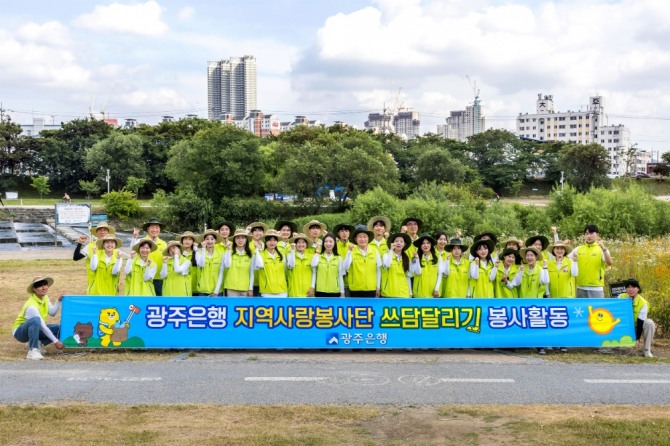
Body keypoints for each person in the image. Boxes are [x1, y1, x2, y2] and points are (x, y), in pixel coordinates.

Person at [12, 277, 64, 360]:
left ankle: (38, 343)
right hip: (19, 333)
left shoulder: (45, 297)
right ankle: (32, 350)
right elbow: (43, 326)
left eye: (45, 284)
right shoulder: (31, 306)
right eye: (40, 286)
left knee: (60, 328)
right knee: (36, 320)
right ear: (34, 289)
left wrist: (58, 301)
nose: (44, 288)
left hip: (35, 328)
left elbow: (52, 313)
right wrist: (56, 341)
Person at [567, 224, 613, 298]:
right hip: (580, 287)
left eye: (591, 233)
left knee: (597, 309)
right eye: (587, 233)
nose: (589, 236)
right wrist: (565, 246)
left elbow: (610, 262)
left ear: (597, 235)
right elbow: (565, 258)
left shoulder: (601, 249)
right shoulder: (578, 249)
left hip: (596, 288)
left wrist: (603, 248)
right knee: (581, 309)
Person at [74, 222, 119, 293]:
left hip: (111, 286)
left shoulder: (115, 248)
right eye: (100, 230)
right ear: (96, 232)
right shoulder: (90, 246)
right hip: (95, 285)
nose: (102, 232)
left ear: (108, 232)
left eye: (105, 230)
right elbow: (76, 257)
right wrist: (80, 243)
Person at [619, 278, 655, 358]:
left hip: (636, 327)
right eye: (628, 287)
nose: (630, 289)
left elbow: (640, 321)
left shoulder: (643, 302)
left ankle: (646, 350)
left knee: (649, 323)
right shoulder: (621, 297)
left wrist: (637, 339)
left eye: (633, 287)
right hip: (622, 326)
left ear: (638, 289)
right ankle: (614, 346)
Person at [132, 218, 167, 296]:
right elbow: (133, 250)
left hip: (158, 278)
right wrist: (134, 238)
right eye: (152, 227)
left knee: (158, 303)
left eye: (157, 228)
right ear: (148, 229)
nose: (155, 230)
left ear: (160, 230)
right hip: (143, 277)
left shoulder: (164, 244)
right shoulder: (141, 241)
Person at [344, 225, 381, 297]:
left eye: (364, 237)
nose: (362, 239)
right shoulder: (351, 251)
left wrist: (378, 287)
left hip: (371, 288)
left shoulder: (375, 251)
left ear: (368, 238)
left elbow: (378, 270)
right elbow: (345, 267)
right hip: (355, 289)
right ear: (355, 239)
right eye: (360, 237)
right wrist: (349, 252)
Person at [254, 229, 289, 297]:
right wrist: (257, 250)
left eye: (274, 240)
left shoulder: (282, 255)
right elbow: (258, 265)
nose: (272, 242)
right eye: (269, 240)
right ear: (265, 242)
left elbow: (285, 271)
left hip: (282, 291)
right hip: (267, 292)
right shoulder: (260, 254)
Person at [311, 232, 346, 297]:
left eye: (331, 241)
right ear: (323, 243)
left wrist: (342, 292)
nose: (328, 244)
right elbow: (313, 266)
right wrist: (317, 250)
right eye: (326, 241)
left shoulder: (339, 258)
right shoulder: (318, 256)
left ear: (334, 243)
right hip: (320, 291)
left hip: (335, 291)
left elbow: (340, 276)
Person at [222, 229, 255, 297]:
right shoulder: (229, 252)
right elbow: (226, 265)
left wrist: (250, 288)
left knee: (243, 307)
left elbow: (252, 272)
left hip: (245, 287)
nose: (240, 240)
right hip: (231, 287)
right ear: (234, 240)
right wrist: (228, 250)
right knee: (231, 307)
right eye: (237, 238)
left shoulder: (250, 254)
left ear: (246, 240)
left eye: (243, 238)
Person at [381, 233, 413, 298]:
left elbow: (407, 276)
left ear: (404, 244)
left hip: (403, 293)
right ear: (392, 243)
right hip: (389, 293)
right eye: (396, 241)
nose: (399, 243)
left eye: (401, 242)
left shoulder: (406, 258)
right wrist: (391, 250)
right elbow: (387, 264)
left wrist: (410, 292)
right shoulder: (386, 255)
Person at [410, 234, 442, 298]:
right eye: (423, 243)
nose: (426, 245)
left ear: (431, 245)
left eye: (428, 243)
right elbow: (412, 273)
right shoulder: (415, 258)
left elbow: (440, 274)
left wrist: (437, 288)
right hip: (419, 293)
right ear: (420, 245)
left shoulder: (438, 257)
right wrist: (416, 259)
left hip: (433, 292)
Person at [195, 229, 225, 296]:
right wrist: (203, 249)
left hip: (217, 290)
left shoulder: (221, 254)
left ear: (215, 241)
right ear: (204, 241)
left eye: (212, 239)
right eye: (207, 239)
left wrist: (216, 291)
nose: (210, 241)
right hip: (203, 289)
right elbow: (201, 264)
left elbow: (221, 273)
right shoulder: (198, 253)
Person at [176, 231, 199, 296]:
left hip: (195, 285)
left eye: (190, 239)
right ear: (182, 241)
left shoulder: (197, 253)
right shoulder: (177, 254)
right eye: (185, 239)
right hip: (181, 286)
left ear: (193, 242)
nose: (187, 241)